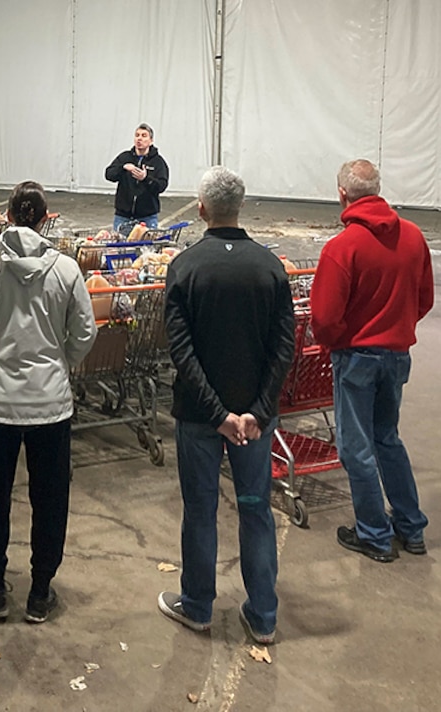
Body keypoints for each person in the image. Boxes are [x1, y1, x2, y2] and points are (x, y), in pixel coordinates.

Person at [158, 166, 293, 646]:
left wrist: (217, 414)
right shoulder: (271, 266)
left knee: (201, 510)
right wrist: (257, 410)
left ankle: (197, 605)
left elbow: (181, 352)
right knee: (256, 509)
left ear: (201, 209)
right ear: (241, 207)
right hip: (256, 422)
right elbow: (283, 349)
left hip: (200, 418)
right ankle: (263, 614)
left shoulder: (186, 267)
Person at [0, 181, 96, 625]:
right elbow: (85, 333)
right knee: (49, 498)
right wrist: (59, 363)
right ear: (44, 217)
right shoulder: (67, 271)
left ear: (10, 216)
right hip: (49, 406)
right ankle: (39, 592)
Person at [310, 160, 434, 563]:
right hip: (397, 356)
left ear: (342, 194)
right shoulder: (414, 238)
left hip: (356, 357)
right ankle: (410, 526)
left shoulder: (342, 248)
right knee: (387, 439)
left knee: (356, 448)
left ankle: (374, 535)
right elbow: (424, 298)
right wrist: (397, 327)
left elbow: (325, 318)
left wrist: (336, 343)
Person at [104, 123, 169, 232]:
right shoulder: (125, 157)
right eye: (137, 135)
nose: (139, 139)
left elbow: (161, 186)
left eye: (144, 136)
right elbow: (109, 174)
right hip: (123, 216)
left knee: (146, 248)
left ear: (151, 140)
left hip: (147, 217)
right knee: (121, 248)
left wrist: (145, 179)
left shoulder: (158, 162)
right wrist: (123, 167)